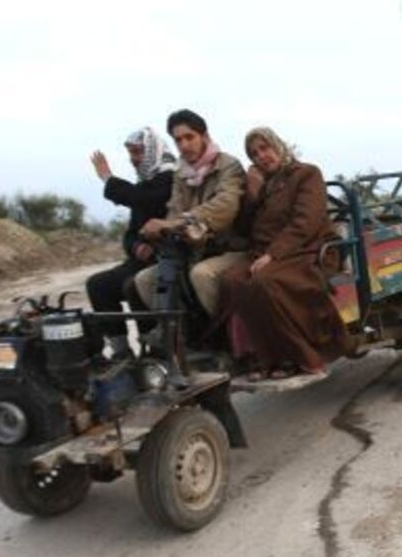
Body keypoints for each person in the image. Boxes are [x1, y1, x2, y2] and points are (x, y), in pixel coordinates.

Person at [220, 127, 342, 379]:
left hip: (308, 248)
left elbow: (305, 223)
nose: (261, 156)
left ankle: (300, 356)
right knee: (232, 280)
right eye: (254, 154)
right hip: (269, 252)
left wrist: (272, 255)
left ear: (278, 145)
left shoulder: (307, 173)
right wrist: (252, 197)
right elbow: (244, 229)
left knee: (264, 281)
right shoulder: (264, 185)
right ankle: (264, 357)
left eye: (264, 148)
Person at [132, 109, 247, 318]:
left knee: (202, 274)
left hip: (231, 248)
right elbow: (175, 209)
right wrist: (159, 232)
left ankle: (221, 333)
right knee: (145, 280)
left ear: (205, 136)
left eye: (189, 137)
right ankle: (177, 332)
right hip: (196, 250)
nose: (184, 145)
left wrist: (177, 223)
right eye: (178, 140)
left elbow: (225, 206)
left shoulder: (228, 165)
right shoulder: (181, 173)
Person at [84, 128, 175, 359]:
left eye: (138, 152)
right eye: (131, 153)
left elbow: (145, 200)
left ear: (153, 150)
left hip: (170, 259)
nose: (133, 159)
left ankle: (154, 351)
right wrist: (136, 246)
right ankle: (122, 353)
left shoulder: (171, 179)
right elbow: (131, 234)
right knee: (98, 285)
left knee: (133, 284)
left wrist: (108, 179)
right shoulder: (144, 183)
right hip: (143, 261)